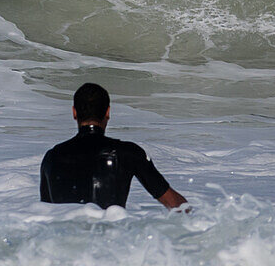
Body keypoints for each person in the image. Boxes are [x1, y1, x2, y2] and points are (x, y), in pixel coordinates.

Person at [40, 83, 188, 210]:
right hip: (110, 239)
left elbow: (45, 212)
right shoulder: (127, 152)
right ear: (108, 112)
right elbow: (174, 204)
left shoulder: (51, 157)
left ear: (74, 112)